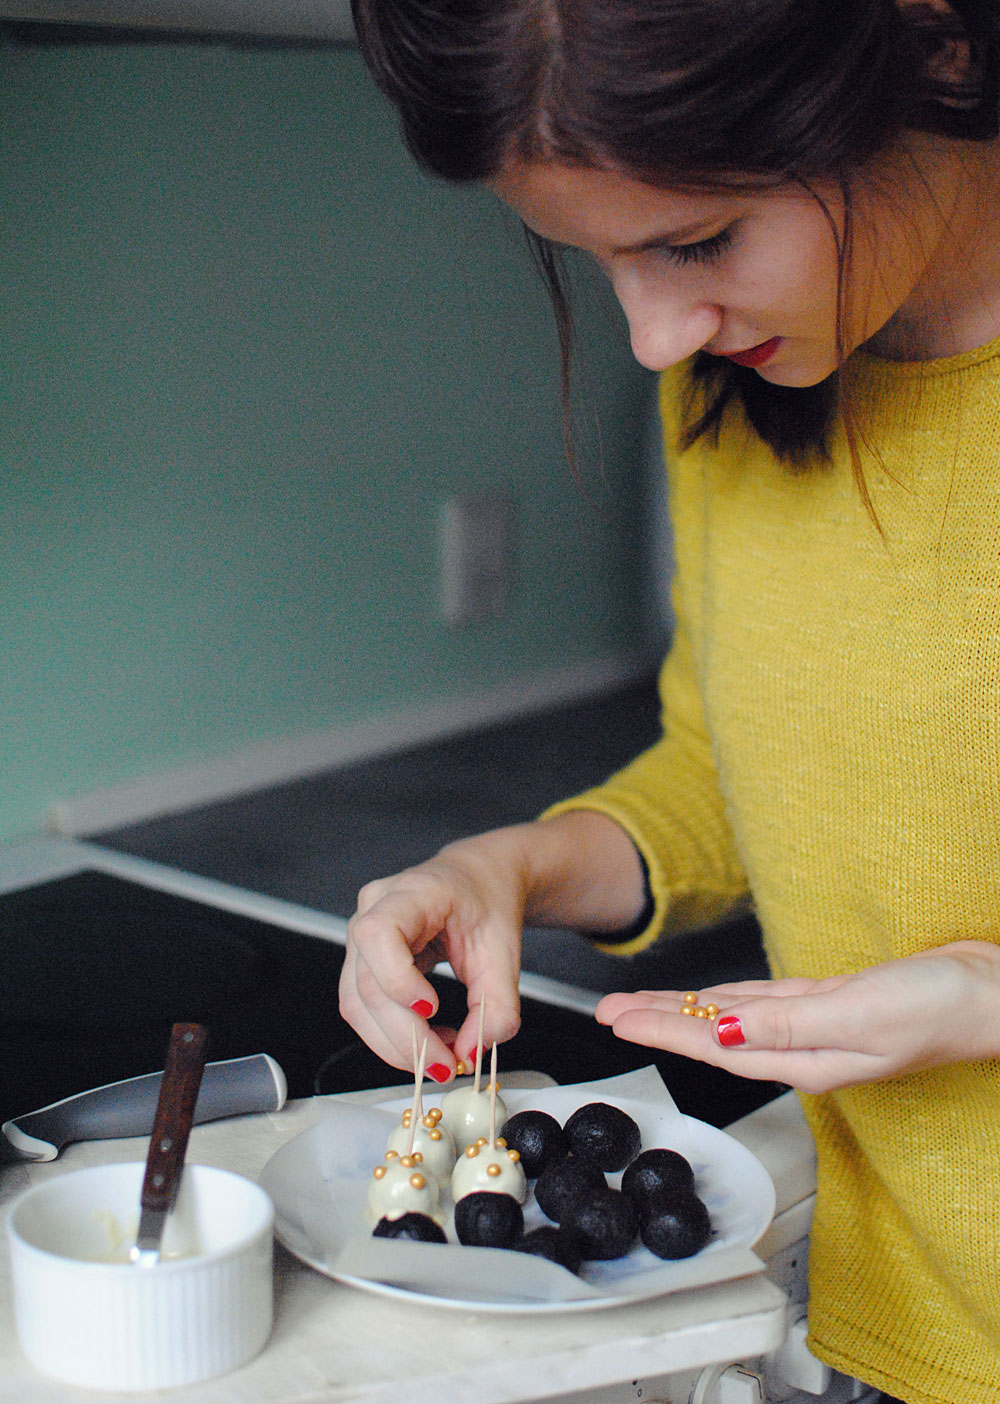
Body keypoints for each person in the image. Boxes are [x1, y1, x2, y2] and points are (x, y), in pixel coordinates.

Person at [338, 2, 1000, 1400]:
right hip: (911, 1336)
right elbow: (734, 766)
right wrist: (502, 865)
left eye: (697, 240)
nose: (651, 338)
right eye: (599, 261)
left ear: (932, 43)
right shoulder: (744, 378)